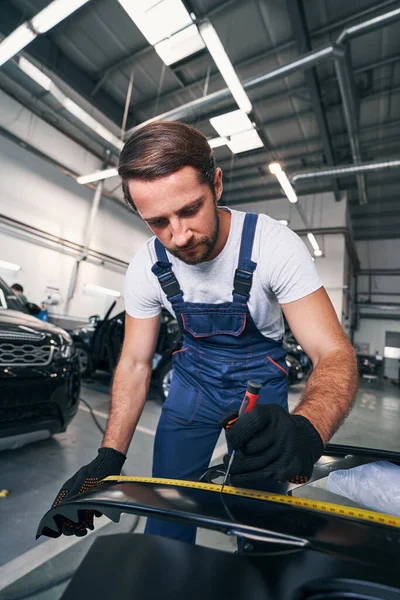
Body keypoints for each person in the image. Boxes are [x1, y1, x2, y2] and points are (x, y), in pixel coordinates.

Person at [50, 121, 358, 541]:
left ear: (216, 184)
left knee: (260, 510)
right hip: (192, 385)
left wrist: (309, 428)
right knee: (168, 505)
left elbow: (333, 352)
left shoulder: (273, 246)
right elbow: (137, 363)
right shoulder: (147, 266)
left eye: (190, 209)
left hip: (258, 387)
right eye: (157, 221)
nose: (178, 236)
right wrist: (109, 456)